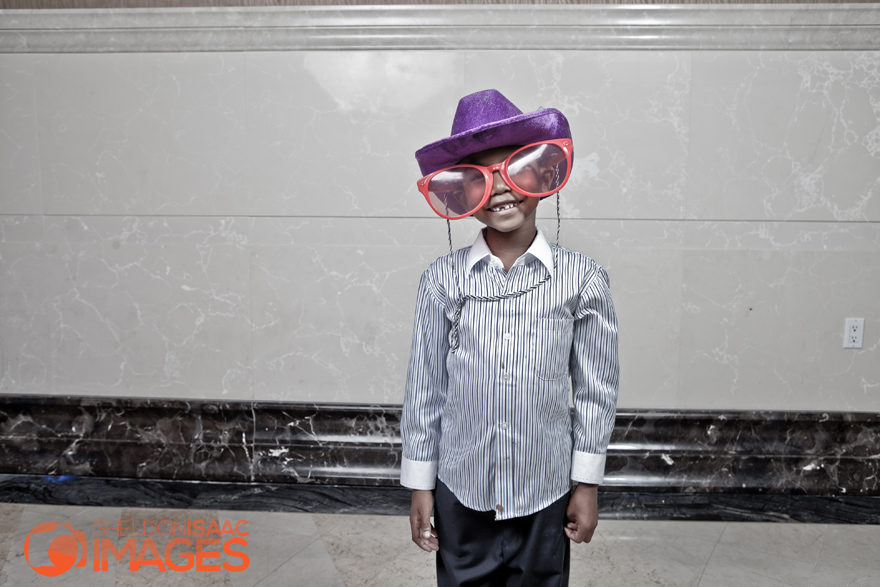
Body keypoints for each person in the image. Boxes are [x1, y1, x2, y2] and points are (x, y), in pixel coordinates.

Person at [401, 89, 619, 587]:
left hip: (544, 490)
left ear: (544, 174)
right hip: (461, 486)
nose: (500, 189)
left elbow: (595, 389)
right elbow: (425, 387)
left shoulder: (583, 280)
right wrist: (420, 484)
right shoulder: (442, 281)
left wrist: (586, 483)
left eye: (513, 169)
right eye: (479, 176)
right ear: (458, 192)